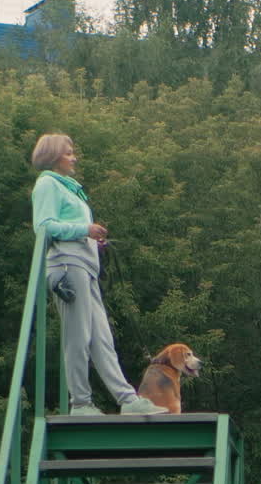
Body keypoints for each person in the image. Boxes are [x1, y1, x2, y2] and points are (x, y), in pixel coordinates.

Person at [31, 133, 168, 416]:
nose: (74, 157)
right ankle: (80, 403)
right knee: (78, 336)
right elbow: (43, 226)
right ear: (55, 156)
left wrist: (94, 240)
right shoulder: (47, 183)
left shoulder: (69, 188)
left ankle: (127, 399)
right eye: (69, 153)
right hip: (68, 266)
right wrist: (85, 230)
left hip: (85, 267)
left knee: (102, 337)